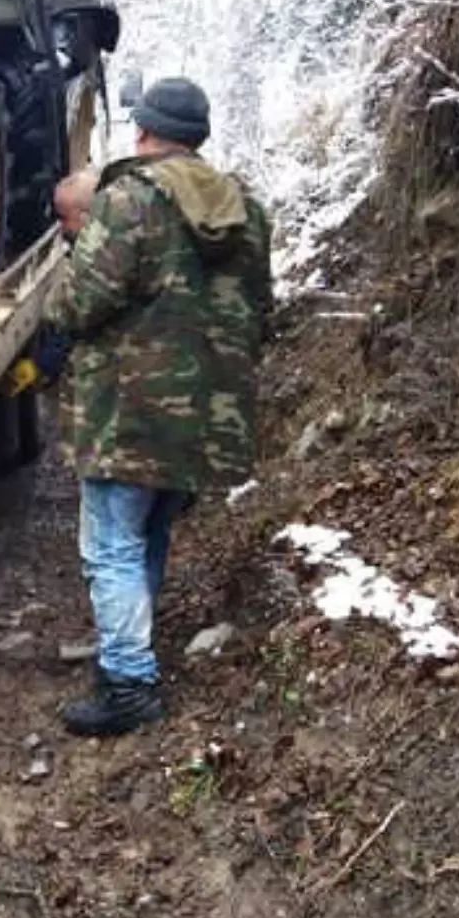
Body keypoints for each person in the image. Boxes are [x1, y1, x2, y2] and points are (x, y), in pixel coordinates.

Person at [42, 77, 273, 736]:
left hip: (130, 412)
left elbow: (78, 303)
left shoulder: (128, 201)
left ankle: (130, 683)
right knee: (151, 529)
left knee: (111, 543)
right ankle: (130, 649)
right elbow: (261, 313)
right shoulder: (247, 211)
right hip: (206, 420)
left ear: (143, 132)